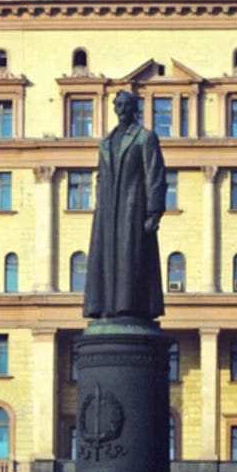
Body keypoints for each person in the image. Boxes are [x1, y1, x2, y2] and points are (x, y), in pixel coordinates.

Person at [83, 89, 167, 321]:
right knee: (107, 257)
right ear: (114, 108)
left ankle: (129, 307)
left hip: (133, 208)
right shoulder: (106, 142)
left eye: (126, 105)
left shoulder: (145, 137)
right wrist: (100, 205)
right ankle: (107, 305)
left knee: (131, 256)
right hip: (108, 211)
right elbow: (100, 177)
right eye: (118, 105)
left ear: (135, 109)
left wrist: (153, 212)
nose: (122, 109)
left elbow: (155, 174)